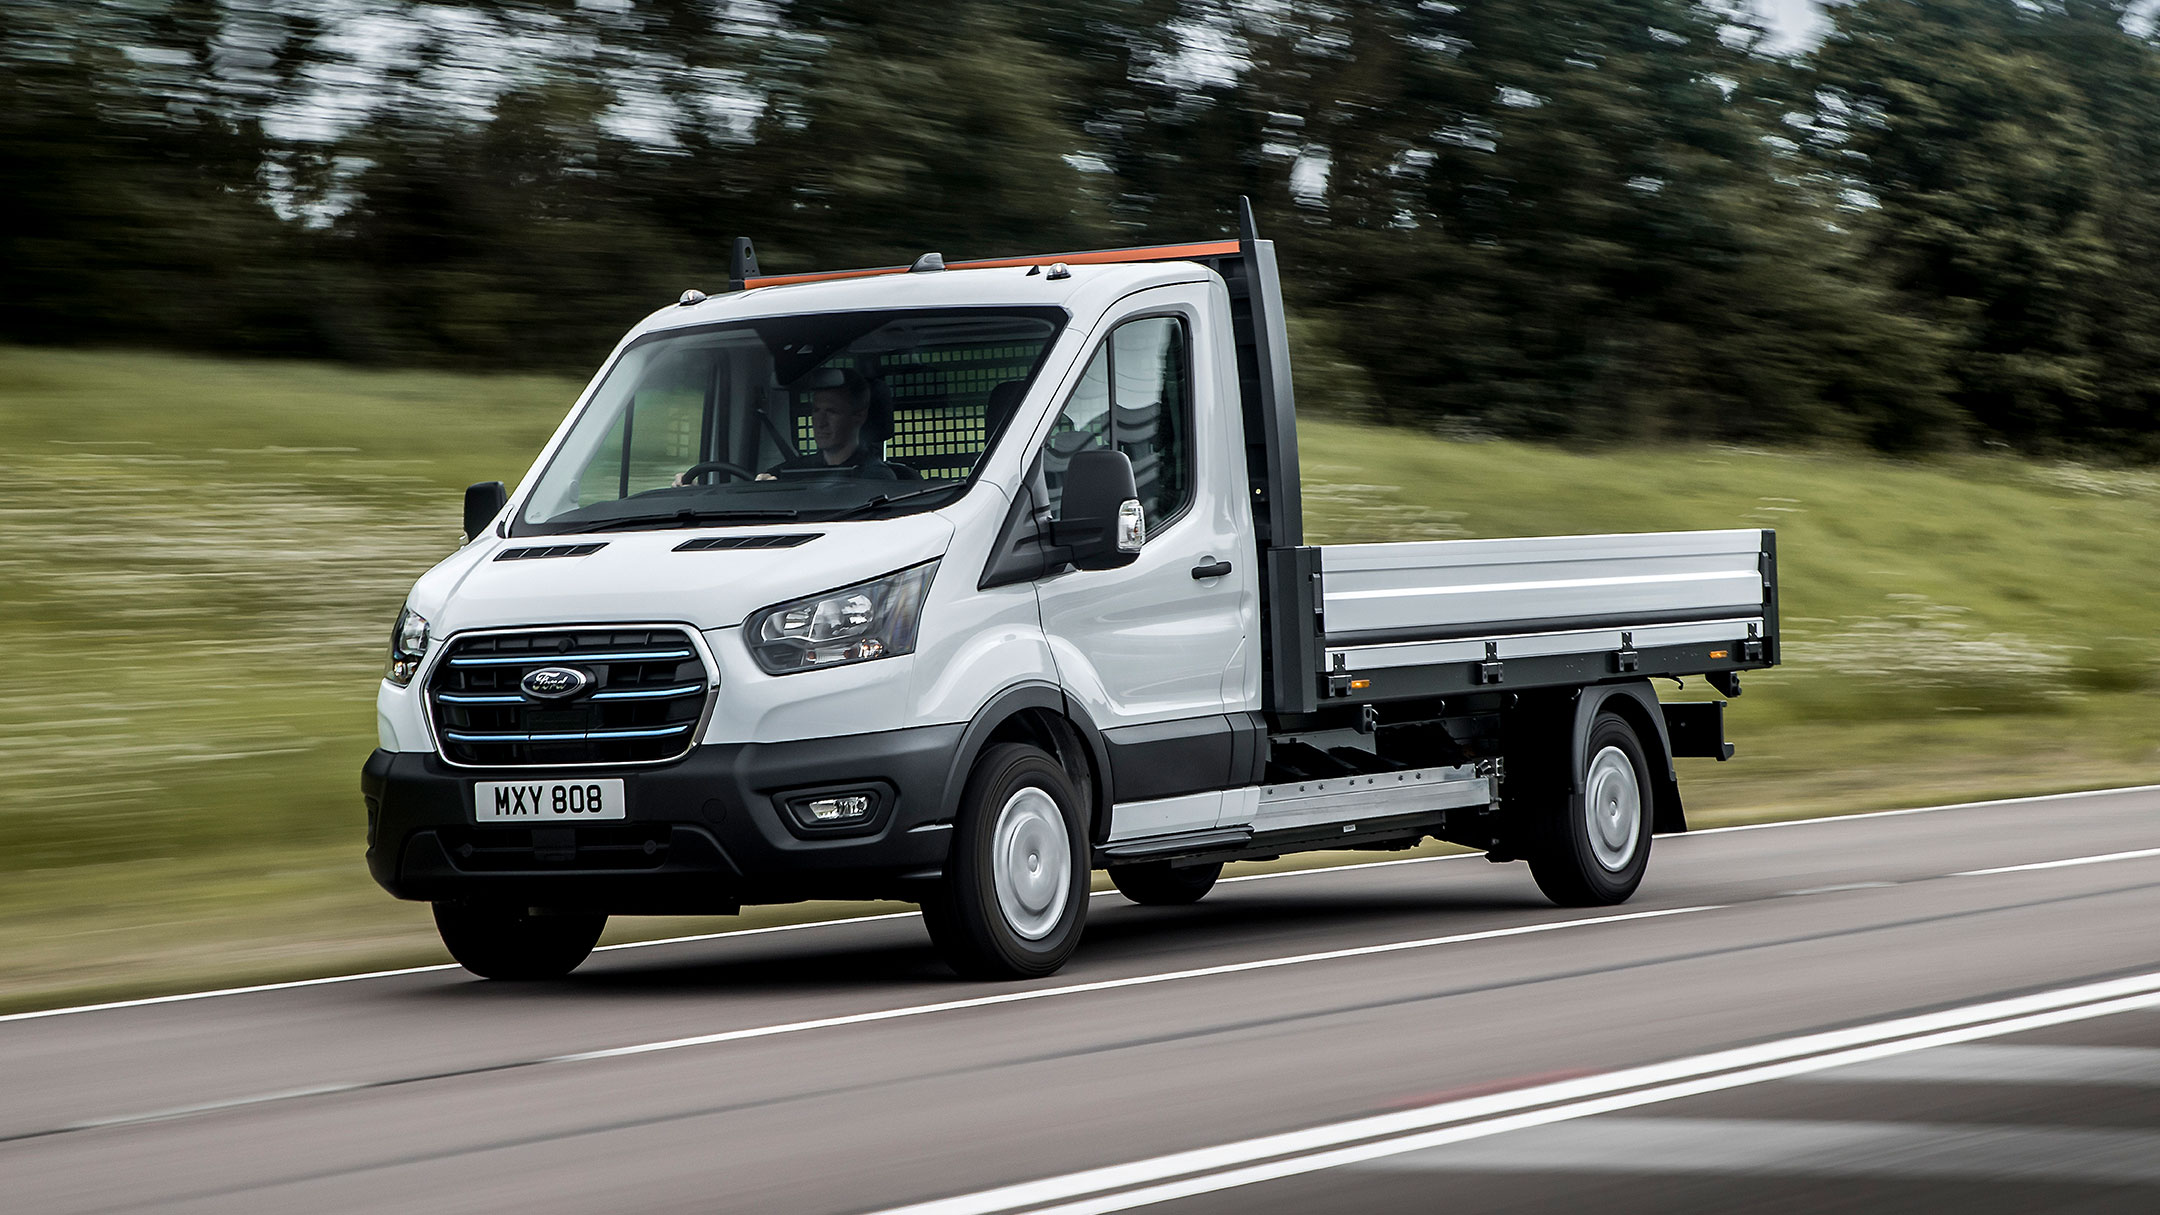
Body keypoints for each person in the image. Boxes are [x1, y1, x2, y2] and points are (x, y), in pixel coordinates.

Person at [762, 370, 894, 479]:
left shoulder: (876, 478)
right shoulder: (791, 471)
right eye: (816, 410)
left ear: (859, 416)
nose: (820, 422)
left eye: (831, 412)